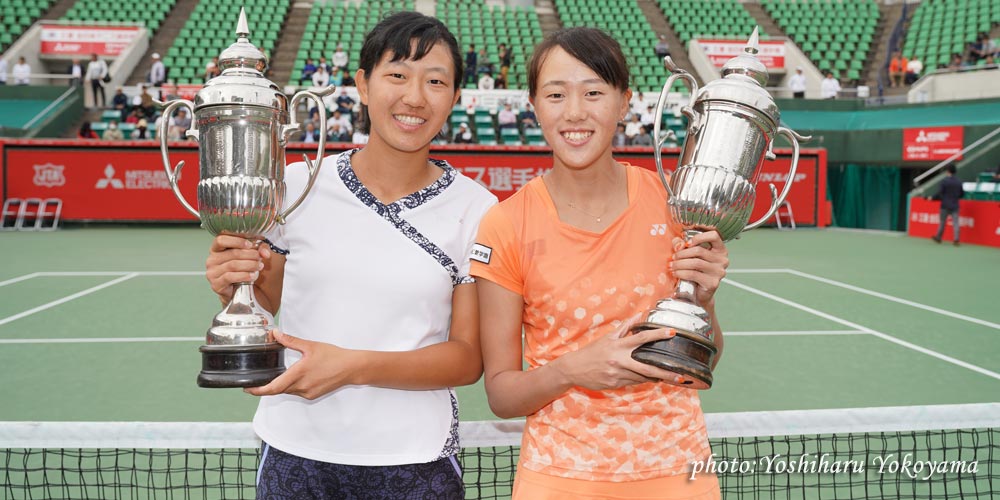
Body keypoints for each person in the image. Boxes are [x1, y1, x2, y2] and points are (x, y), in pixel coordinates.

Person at [204, 11, 496, 498]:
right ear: (363, 85)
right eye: (397, 75)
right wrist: (233, 282)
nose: (414, 97)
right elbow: (267, 305)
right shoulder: (295, 186)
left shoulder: (478, 209)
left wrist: (351, 365)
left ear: (455, 98)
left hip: (415, 461)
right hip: (294, 449)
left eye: (435, 81)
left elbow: (466, 359)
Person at [470, 27, 727, 499]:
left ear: (624, 102)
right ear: (533, 105)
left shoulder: (674, 203)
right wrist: (571, 370)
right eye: (555, 94)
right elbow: (502, 394)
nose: (574, 113)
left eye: (593, 92)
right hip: (558, 478)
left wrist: (705, 299)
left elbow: (707, 355)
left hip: (677, 471)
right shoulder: (505, 225)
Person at [930, 164, 964, 246]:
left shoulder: (944, 181)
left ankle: (938, 237)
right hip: (955, 205)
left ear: (948, 171)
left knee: (942, 222)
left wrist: (932, 198)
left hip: (945, 205)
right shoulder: (959, 181)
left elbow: (940, 193)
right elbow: (962, 194)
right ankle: (956, 239)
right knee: (955, 223)